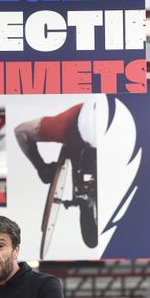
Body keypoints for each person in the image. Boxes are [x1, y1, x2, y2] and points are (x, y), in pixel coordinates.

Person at [14, 98, 101, 250]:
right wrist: (41, 167)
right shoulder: (65, 125)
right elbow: (20, 132)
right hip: (75, 142)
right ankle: (84, 195)